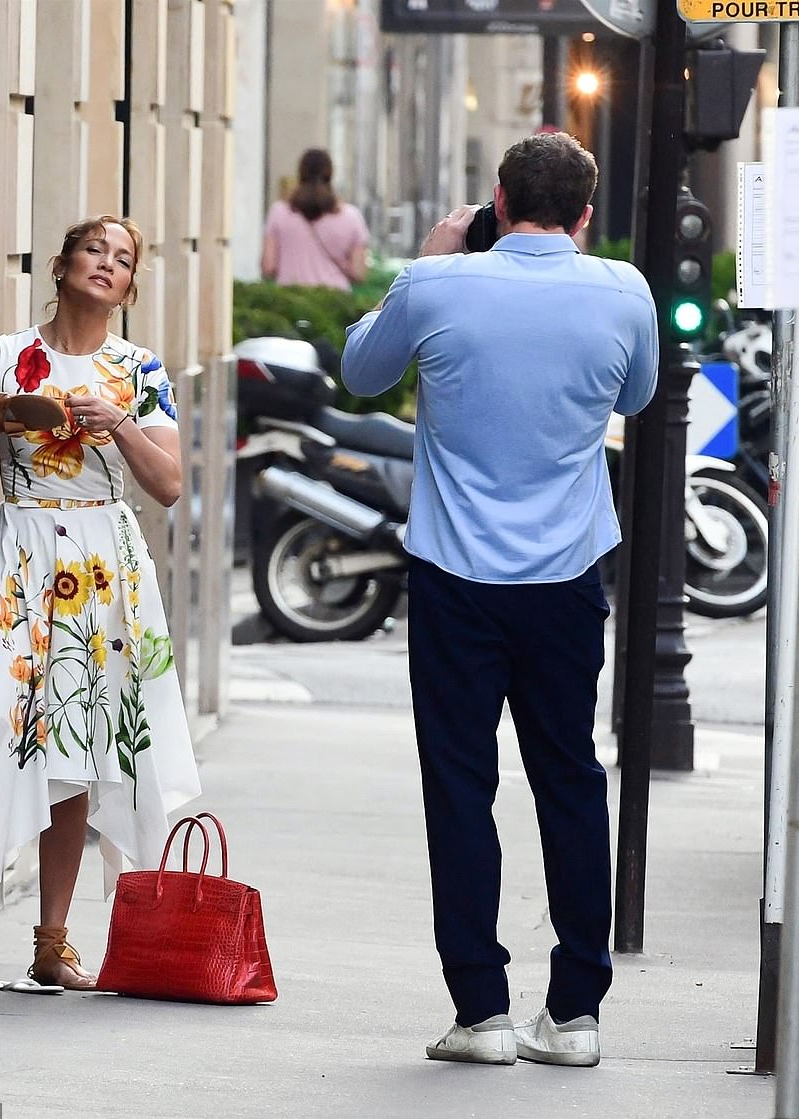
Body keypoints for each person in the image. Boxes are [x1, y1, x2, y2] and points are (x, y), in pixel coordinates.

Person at [341, 133, 658, 1067]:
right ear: (586, 212)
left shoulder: (440, 284)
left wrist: (429, 261)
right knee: (570, 781)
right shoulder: (624, 291)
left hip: (455, 580)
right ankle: (576, 1014)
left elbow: (359, 371)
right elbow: (635, 396)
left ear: (496, 198)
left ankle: (481, 1012)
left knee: (459, 788)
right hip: (564, 578)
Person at [0, 215, 201, 992]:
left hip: (105, 568)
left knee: (81, 744)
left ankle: (52, 938)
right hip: (17, 553)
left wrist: (119, 431)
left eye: (122, 258)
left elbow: (170, 486)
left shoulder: (139, 370)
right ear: (61, 263)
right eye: (92, 249)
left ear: (131, 286)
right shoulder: (4, 356)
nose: (105, 263)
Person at [261, 148, 370, 291]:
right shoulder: (351, 216)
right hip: (335, 299)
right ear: (330, 174)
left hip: (289, 301)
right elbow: (358, 273)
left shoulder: (279, 212)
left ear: (300, 173)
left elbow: (268, 266)